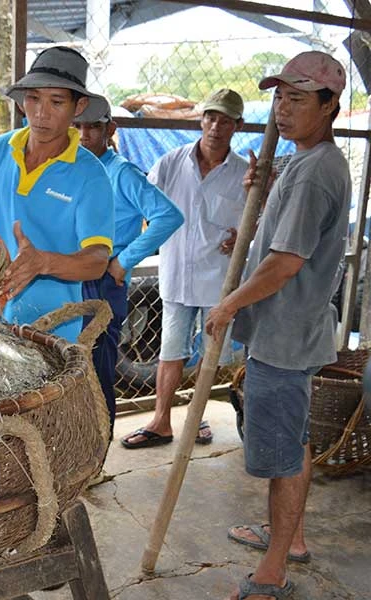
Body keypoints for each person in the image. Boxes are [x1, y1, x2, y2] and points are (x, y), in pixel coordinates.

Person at [205, 51, 350, 600]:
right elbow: (280, 244)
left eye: (296, 98)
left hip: (285, 336)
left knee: (282, 453)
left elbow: (286, 263)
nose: (281, 110)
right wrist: (261, 197)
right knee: (293, 440)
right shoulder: (304, 162)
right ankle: (290, 539)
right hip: (290, 331)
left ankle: (274, 568)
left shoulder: (315, 172)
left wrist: (228, 305)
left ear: (330, 104)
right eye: (278, 97)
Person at [0, 45, 115, 344]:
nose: (41, 113)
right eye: (33, 98)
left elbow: (97, 260)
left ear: (78, 108)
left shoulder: (90, 175)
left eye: (56, 102)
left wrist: (44, 262)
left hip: (49, 331)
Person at [121, 88, 248, 449]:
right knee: (170, 350)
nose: (216, 127)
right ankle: (161, 421)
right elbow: (147, 207)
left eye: (225, 121)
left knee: (211, 355)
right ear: (200, 119)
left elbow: (257, 220)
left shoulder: (243, 173)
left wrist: (242, 235)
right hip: (177, 274)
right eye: (210, 117)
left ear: (236, 126)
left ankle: (198, 416)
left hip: (218, 279)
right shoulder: (171, 163)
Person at [73, 108, 184, 439]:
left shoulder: (121, 172)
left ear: (110, 128)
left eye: (92, 126)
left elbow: (167, 215)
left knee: (97, 371)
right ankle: (75, 452)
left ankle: (96, 454)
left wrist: (125, 260)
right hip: (72, 276)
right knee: (73, 369)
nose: (83, 134)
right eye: (76, 126)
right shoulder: (71, 169)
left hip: (103, 280)